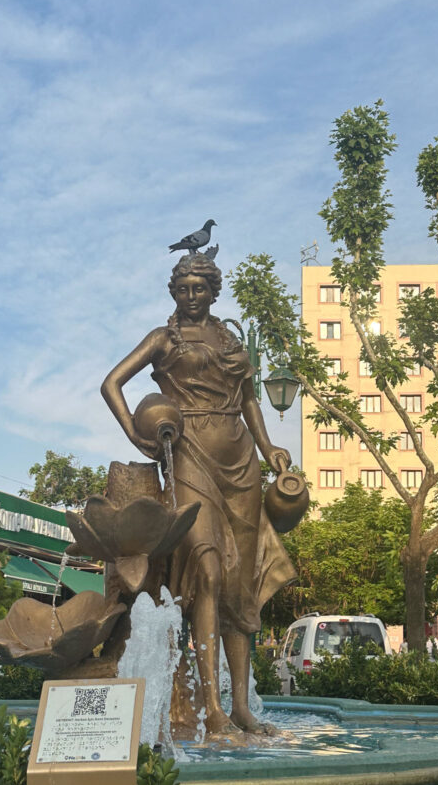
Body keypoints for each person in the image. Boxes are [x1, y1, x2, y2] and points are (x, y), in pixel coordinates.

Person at [101, 253, 295, 736]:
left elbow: (248, 398)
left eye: (198, 288)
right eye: (182, 288)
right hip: (188, 455)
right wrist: (134, 433)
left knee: (239, 583)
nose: (190, 296)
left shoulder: (230, 338)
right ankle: (211, 707)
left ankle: (242, 709)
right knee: (207, 569)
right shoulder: (163, 338)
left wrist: (269, 447)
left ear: (213, 291)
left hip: (242, 462)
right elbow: (111, 384)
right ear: (174, 293)